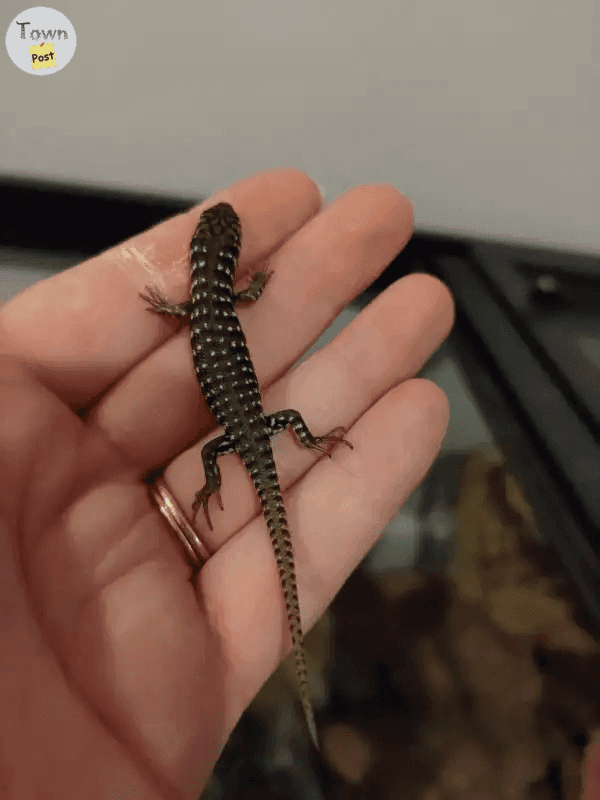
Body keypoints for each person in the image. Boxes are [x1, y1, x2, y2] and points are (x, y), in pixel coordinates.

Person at [0, 169, 456, 798]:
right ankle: (307, 447)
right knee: (287, 426)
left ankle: (274, 475)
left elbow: (187, 310)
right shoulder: (224, 300)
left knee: (255, 451)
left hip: (235, 428)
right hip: (256, 423)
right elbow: (241, 302)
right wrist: (302, 435)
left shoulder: (197, 306)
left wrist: (213, 476)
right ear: (223, 263)